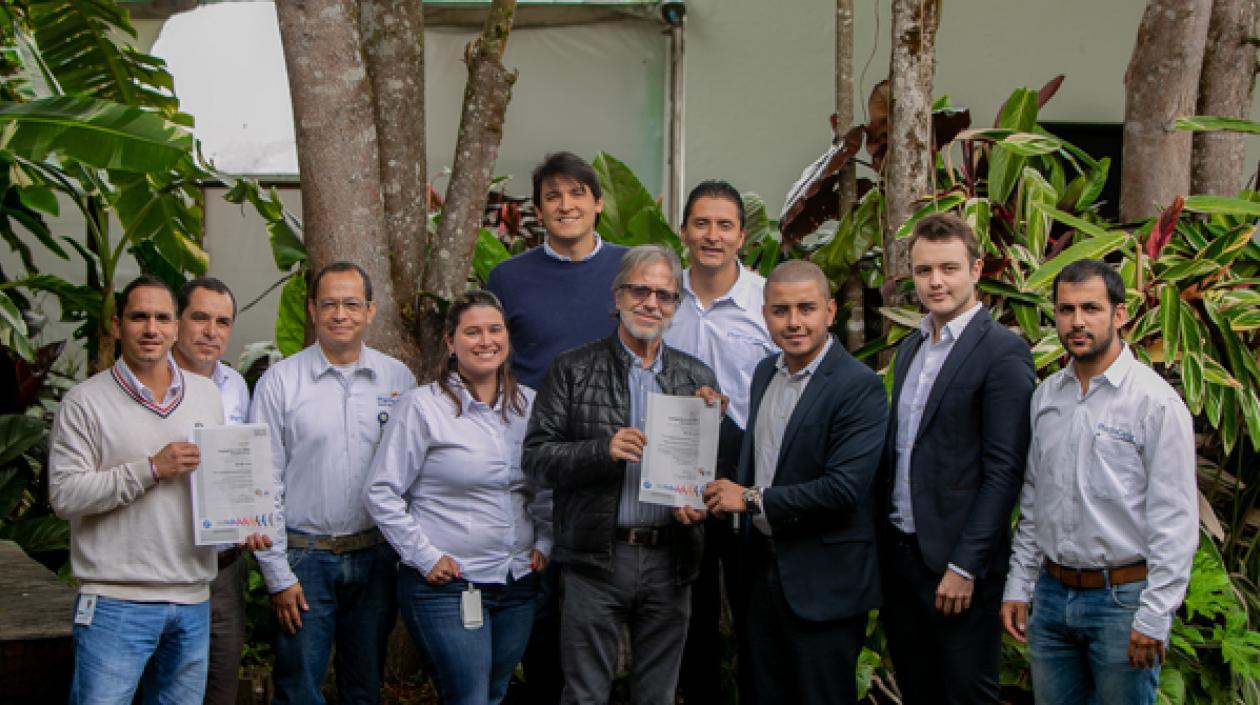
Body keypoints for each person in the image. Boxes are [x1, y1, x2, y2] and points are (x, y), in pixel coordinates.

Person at [524, 244, 723, 705]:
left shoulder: (696, 378)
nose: (651, 303)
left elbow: (713, 473)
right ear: (617, 297)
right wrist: (602, 451)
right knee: (584, 694)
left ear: (676, 306)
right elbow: (535, 458)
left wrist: (700, 501)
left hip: (669, 560)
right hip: (596, 558)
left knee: (658, 695)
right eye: (640, 291)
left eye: (665, 295)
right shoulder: (572, 369)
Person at [1001, 259, 1197, 705]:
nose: (1077, 322)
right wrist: (1019, 585)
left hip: (1123, 600)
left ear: (1120, 314)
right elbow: (1035, 502)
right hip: (1051, 597)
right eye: (1066, 310)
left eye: (1091, 308)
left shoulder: (1155, 404)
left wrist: (1155, 615)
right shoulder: (1047, 398)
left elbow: (1176, 521)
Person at [703, 260, 887, 705]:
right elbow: (768, 456)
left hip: (822, 581)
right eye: (781, 310)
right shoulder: (767, 372)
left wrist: (747, 499)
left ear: (830, 311)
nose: (794, 322)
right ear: (765, 314)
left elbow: (843, 489)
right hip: (762, 573)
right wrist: (717, 420)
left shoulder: (858, 386)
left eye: (806, 309)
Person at [486, 151, 628, 703]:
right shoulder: (509, 277)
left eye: (576, 194)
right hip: (536, 456)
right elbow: (491, 356)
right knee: (538, 590)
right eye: (552, 196)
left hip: (615, 456)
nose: (566, 205)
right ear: (538, 210)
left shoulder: (631, 268)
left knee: (609, 589)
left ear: (597, 202)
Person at [365, 290, 552, 705]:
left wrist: (546, 543)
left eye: (494, 330)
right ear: (450, 343)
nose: (485, 341)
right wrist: (425, 556)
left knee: (495, 693)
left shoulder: (530, 406)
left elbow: (545, 487)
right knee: (468, 697)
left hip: (517, 582)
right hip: (449, 585)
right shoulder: (423, 407)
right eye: (472, 332)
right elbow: (381, 491)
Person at [878, 213, 1035, 704]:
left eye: (948, 268)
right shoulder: (911, 348)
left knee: (968, 695)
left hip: (958, 568)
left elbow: (1004, 472)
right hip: (903, 560)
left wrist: (965, 565)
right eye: (924, 271)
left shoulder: (1003, 352)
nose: (936, 281)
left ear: (975, 268)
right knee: (918, 693)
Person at [49, 275, 224, 704]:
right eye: (138, 317)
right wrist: (148, 470)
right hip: (115, 603)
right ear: (116, 325)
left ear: (177, 327)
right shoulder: (84, 402)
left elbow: (216, 485)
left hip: (191, 599)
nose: (151, 329)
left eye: (162, 318)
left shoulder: (207, 395)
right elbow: (65, 496)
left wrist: (241, 521)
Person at [251, 262, 417, 705]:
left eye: (351, 304)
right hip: (306, 560)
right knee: (299, 688)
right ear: (311, 310)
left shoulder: (398, 379)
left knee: (363, 689)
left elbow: (415, 475)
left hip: (376, 558)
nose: (340, 314)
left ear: (370, 311)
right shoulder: (279, 382)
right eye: (329, 304)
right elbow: (262, 481)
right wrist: (277, 574)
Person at [663, 180, 776, 704]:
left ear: (742, 236)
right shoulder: (662, 297)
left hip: (751, 467)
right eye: (701, 224)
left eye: (724, 225)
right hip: (677, 465)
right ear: (683, 231)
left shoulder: (766, 300)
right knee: (692, 605)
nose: (712, 236)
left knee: (754, 605)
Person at [171, 277, 255, 705]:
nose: (211, 331)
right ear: (177, 321)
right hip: (163, 566)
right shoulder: (148, 385)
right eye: (200, 318)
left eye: (222, 322)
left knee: (219, 686)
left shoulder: (235, 386)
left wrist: (253, 520)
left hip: (222, 567)